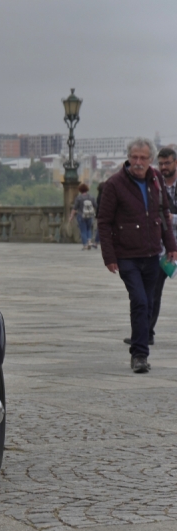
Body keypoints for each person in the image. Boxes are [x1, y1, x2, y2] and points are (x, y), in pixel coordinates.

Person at [97, 138, 177, 374]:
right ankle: (140, 354)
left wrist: (170, 245)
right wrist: (109, 256)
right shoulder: (115, 184)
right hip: (127, 255)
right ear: (129, 157)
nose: (138, 162)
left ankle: (140, 345)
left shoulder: (156, 180)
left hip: (153, 253)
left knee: (148, 303)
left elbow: (163, 214)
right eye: (134, 157)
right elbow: (104, 221)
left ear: (150, 160)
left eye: (143, 158)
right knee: (140, 301)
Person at [126, 147, 177, 347]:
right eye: (161, 164)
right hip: (161, 249)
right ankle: (145, 333)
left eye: (167, 163)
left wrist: (171, 219)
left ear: (175, 163)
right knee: (152, 291)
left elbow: (163, 216)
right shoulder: (153, 183)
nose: (164, 167)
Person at [69, 183, 97, 250]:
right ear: (87, 189)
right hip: (90, 215)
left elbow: (74, 208)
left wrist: (71, 216)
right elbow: (96, 206)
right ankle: (89, 241)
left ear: (80, 190)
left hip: (81, 216)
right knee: (89, 229)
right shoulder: (91, 197)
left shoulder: (79, 198)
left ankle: (85, 245)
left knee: (83, 231)